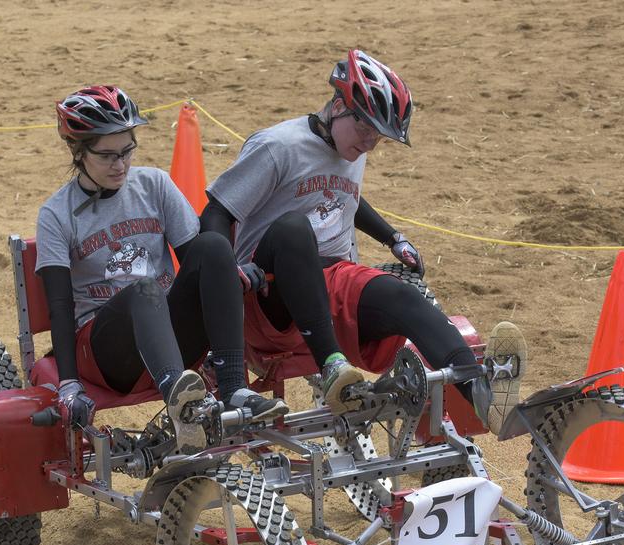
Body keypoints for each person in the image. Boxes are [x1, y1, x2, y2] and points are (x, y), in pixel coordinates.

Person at [201, 50, 526, 432]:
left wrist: (392, 237)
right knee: (294, 229)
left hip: (331, 279)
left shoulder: (350, 147)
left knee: (403, 296)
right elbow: (216, 212)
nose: (371, 143)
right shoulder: (277, 146)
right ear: (339, 106)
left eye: (379, 136)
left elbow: (342, 195)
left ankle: (481, 393)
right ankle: (332, 367)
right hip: (268, 292)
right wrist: (228, 271)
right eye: (366, 130)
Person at [35, 85, 287, 453]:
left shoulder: (154, 184)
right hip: (108, 353)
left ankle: (234, 388)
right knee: (145, 288)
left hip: (167, 336)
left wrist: (230, 274)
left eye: (127, 150)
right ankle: (182, 405)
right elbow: (60, 307)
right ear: (78, 151)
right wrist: (68, 384)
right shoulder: (56, 214)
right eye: (107, 155)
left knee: (214, 245)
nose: (120, 165)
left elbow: (199, 262)